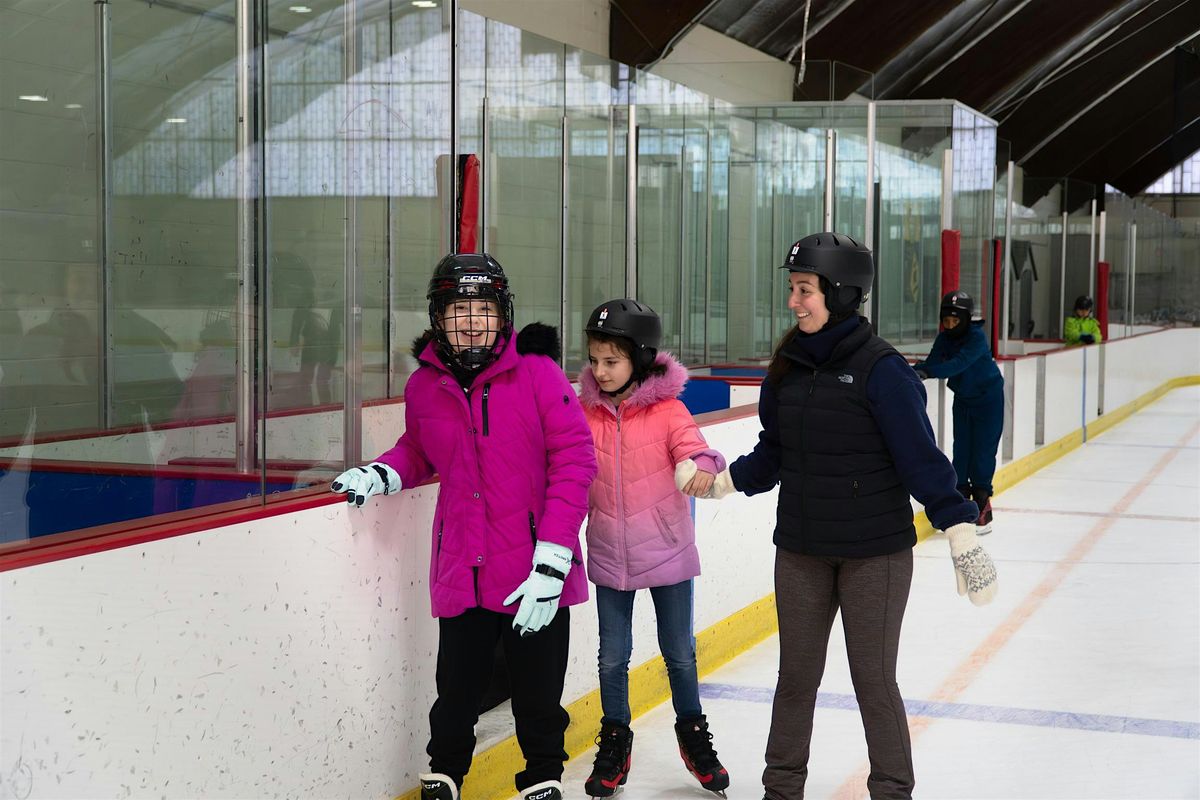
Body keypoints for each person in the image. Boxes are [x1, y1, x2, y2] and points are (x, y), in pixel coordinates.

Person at [704, 232, 998, 800]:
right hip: (801, 549)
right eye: (792, 288)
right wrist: (722, 482)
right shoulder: (787, 366)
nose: (793, 301)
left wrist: (960, 529)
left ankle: (891, 789)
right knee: (795, 679)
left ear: (839, 293)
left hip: (876, 556)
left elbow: (921, 460)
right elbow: (773, 453)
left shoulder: (882, 370)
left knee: (872, 681)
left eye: (804, 289)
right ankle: (781, 789)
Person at [330, 253, 597, 800]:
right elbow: (418, 450)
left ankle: (543, 776)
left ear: (503, 314)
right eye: (459, 309)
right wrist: (385, 472)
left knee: (537, 693)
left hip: (532, 568)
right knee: (455, 689)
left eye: (483, 308)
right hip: (465, 566)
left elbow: (575, 459)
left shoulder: (538, 373)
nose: (472, 321)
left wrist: (554, 556)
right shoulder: (425, 386)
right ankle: (446, 773)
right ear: (438, 316)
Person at [577, 299, 730, 798]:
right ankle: (615, 742)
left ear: (640, 359)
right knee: (611, 659)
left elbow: (697, 448)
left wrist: (701, 468)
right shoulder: (585, 413)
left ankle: (693, 735)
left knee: (680, 654)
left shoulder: (669, 411)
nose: (600, 371)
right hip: (607, 552)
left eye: (611, 361)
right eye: (595, 360)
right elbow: (568, 472)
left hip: (666, 552)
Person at [913, 290, 1005, 533]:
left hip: (989, 399)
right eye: (947, 321)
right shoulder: (945, 339)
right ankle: (962, 507)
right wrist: (914, 370)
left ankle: (983, 507)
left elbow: (957, 365)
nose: (951, 326)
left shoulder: (976, 338)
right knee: (961, 450)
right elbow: (933, 361)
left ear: (966, 319)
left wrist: (927, 371)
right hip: (964, 400)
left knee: (983, 451)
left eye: (956, 321)